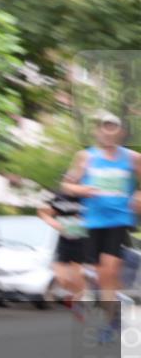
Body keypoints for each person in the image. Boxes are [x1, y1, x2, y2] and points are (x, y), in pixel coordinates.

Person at [61, 113, 141, 342]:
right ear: (97, 132)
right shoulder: (85, 157)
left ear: (121, 133)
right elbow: (66, 185)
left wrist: (138, 194)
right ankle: (114, 310)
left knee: (109, 272)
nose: (108, 132)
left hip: (118, 221)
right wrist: (81, 190)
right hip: (92, 222)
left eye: (112, 128)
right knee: (97, 276)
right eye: (104, 128)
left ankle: (108, 324)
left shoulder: (133, 158)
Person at [37, 190, 88, 318]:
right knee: (62, 277)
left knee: (77, 276)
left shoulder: (90, 197)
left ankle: (80, 301)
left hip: (84, 240)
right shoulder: (62, 197)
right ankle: (79, 297)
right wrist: (53, 222)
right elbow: (42, 211)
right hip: (65, 239)